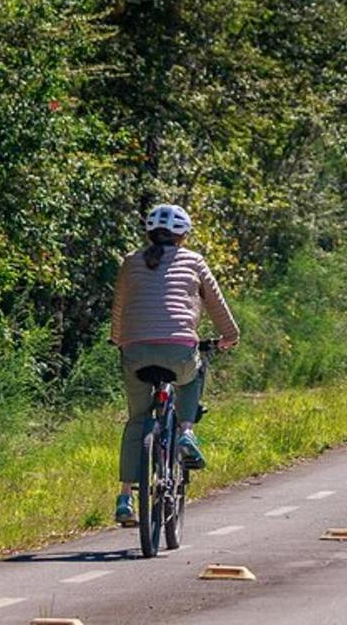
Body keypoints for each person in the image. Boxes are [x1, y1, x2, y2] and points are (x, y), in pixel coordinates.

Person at [109, 204, 239, 525]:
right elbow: (216, 303)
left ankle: (126, 497)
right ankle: (186, 431)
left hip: (135, 352)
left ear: (149, 233)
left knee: (137, 419)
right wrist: (229, 336)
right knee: (193, 374)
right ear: (183, 235)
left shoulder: (129, 262)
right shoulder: (193, 261)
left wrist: (118, 339)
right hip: (179, 352)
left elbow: (120, 307)